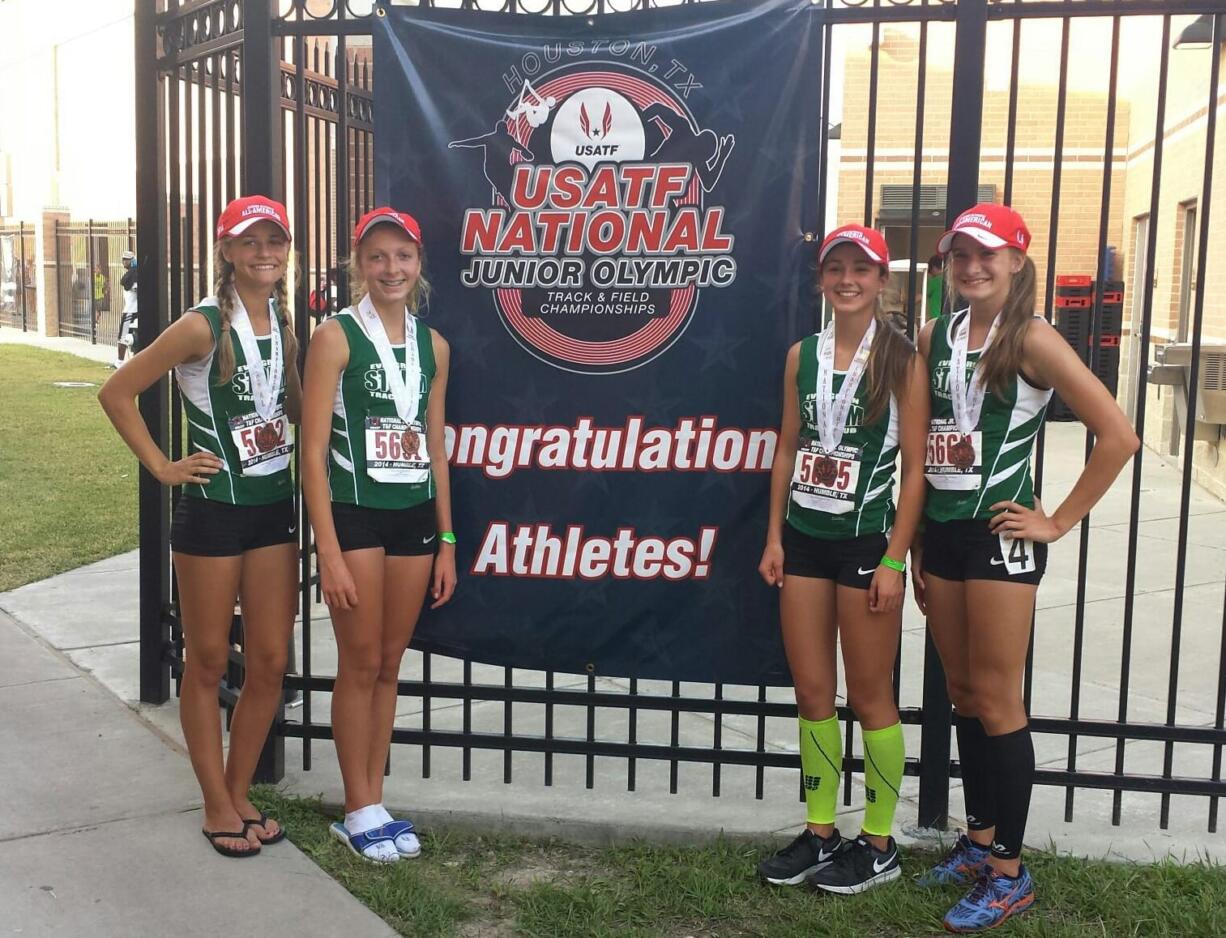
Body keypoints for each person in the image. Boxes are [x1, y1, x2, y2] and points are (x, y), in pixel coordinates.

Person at [913, 204, 1138, 931]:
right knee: (962, 692)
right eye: (960, 256)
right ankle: (979, 844)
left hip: (1001, 534)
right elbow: (925, 447)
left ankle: (1009, 871)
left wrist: (1058, 519)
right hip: (942, 536)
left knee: (999, 698)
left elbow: (1118, 435)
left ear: (1017, 261)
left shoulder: (1034, 339)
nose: (972, 267)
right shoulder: (932, 336)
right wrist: (913, 543)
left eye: (987, 255)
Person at [98, 195, 301, 858]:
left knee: (269, 660)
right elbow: (118, 390)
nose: (263, 253)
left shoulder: (284, 319)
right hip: (213, 511)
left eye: (274, 242)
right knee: (209, 660)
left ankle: (238, 792)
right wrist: (161, 465)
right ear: (227, 251)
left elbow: (294, 404)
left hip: (274, 509)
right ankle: (215, 805)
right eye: (250, 242)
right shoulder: (201, 326)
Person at [756, 224, 928, 894]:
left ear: (882, 280)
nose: (848, 280)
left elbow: (915, 471)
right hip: (803, 538)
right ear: (821, 280)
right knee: (811, 693)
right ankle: (821, 830)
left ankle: (879, 842)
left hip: (865, 543)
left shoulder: (901, 359)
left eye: (862, 269)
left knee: (871, 696)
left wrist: (894, 559)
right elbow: (786, 449)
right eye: (836, 269)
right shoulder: (804, 355)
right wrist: (773, 534)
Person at [301, 206, 456, 863]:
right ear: (358, 265)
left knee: (391, 664)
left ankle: (376, 798)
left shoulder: (434, 346)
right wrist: (327, 551)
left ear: (418, 264)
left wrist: (447, 539)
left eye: (402, 256)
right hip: (357, 516)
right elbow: (311, 453)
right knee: (359, 662)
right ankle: (356, 806)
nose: (390, 269)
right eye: (377, 257)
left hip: (415, 516)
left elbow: (436, 447)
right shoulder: (335, 337)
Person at [114, 251, 139, 367]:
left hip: (131, 311)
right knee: (126, 336)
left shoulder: (133, 275)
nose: (124, 261)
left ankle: (120, 361)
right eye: (123, 259)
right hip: (131, 309)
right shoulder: (131, 274)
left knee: (124, 336)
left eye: (127, 259)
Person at [925, 252, 944, 323]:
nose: (930, 274)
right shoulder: (947, 279)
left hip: (935, 317)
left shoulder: (935, 281)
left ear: (933, 267)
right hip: (945, 316)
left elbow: (922, 295)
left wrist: (906, 304)